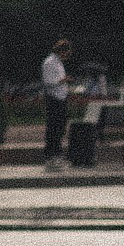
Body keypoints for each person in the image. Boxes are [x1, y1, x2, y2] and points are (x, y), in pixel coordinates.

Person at [39, 39, 74, 171]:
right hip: (54, 99)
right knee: (53, 128)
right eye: (66, 53)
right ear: (61, 51)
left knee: (60, 128)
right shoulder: (50, 62)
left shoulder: (58, 62)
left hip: (61, 98)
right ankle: (51, 156)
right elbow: (48, 81)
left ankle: (57, 155)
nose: (67, 56)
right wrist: (63, 80)